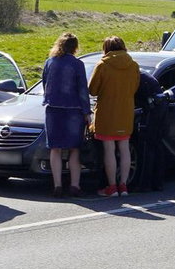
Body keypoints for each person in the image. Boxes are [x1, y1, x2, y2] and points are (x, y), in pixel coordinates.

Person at [88, 35, 140, 196]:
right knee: (124, 148)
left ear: (106, 49)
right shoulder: (133, 65)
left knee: (109, 149)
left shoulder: (103, 65)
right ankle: (123, 185)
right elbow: (135, 87)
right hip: (125, 111)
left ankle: (111, 186)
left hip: (106, 112)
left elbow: (92, 90)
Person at [42, 32, 90, 198]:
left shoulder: (50, 62)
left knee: (55, 149)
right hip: (73, 110)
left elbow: (45, 84)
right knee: (74, 149)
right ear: (75, 47)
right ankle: (75, 185)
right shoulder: (77, 65)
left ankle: (57, 185)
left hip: (53, 109)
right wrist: (86, 112)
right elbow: (82, 89)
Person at [130, 70, 171, 192]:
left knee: (147, 146)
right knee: (156, 145)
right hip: (159, 107)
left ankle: (144, 184)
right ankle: (157, 183)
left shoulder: (134, 76)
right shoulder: (142, 75)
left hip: (153, 109)